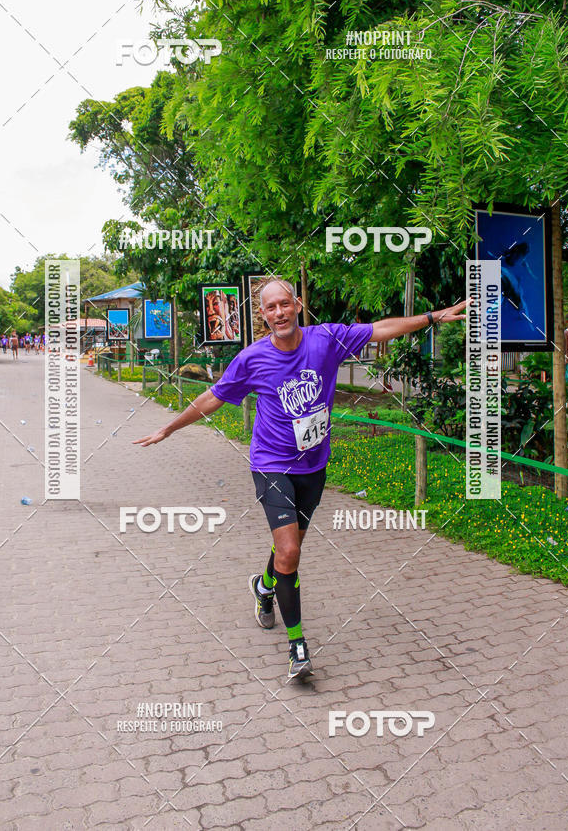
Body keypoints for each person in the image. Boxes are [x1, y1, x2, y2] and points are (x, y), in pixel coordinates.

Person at [133, 279, 468, 679]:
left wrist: (432, 317)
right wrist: (169, 429)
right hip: (271, 464)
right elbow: (213, 398)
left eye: (285, 304)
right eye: (270, 307)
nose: (279, 313)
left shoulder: (326, 339)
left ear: (298, 304)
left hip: (313, 466)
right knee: (290, 552)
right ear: (263, 315)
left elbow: (380, 328)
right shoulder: (252, 359)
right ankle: (298, 648)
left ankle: (262, 586)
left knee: (286, 554)